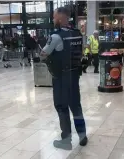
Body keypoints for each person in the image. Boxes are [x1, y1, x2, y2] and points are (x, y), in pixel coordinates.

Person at [39, 7, 88, 150]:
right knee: (76, 106)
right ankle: (83, 135)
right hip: (74, 76)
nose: (53, 20)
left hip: (61, 78)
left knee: (62, 107)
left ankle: (66, 141)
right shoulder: (78, 34)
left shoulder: (56, 36)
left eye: (54, 17)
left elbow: (43, 54)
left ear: (60, 19)